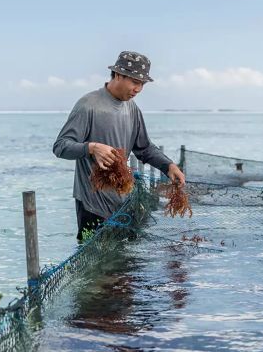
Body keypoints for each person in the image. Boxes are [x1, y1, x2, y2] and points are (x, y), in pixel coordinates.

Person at [53, 50, 186, 242]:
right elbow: (61, 146)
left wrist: (169, 166)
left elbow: (145, 148)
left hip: (123, 203)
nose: (138, 89)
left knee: (127, 267)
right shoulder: (88, 105)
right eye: (134, 81)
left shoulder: (132, 109)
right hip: (92, 206)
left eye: (142, 84)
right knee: (96, 267)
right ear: (117, 75)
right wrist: (91, 147)